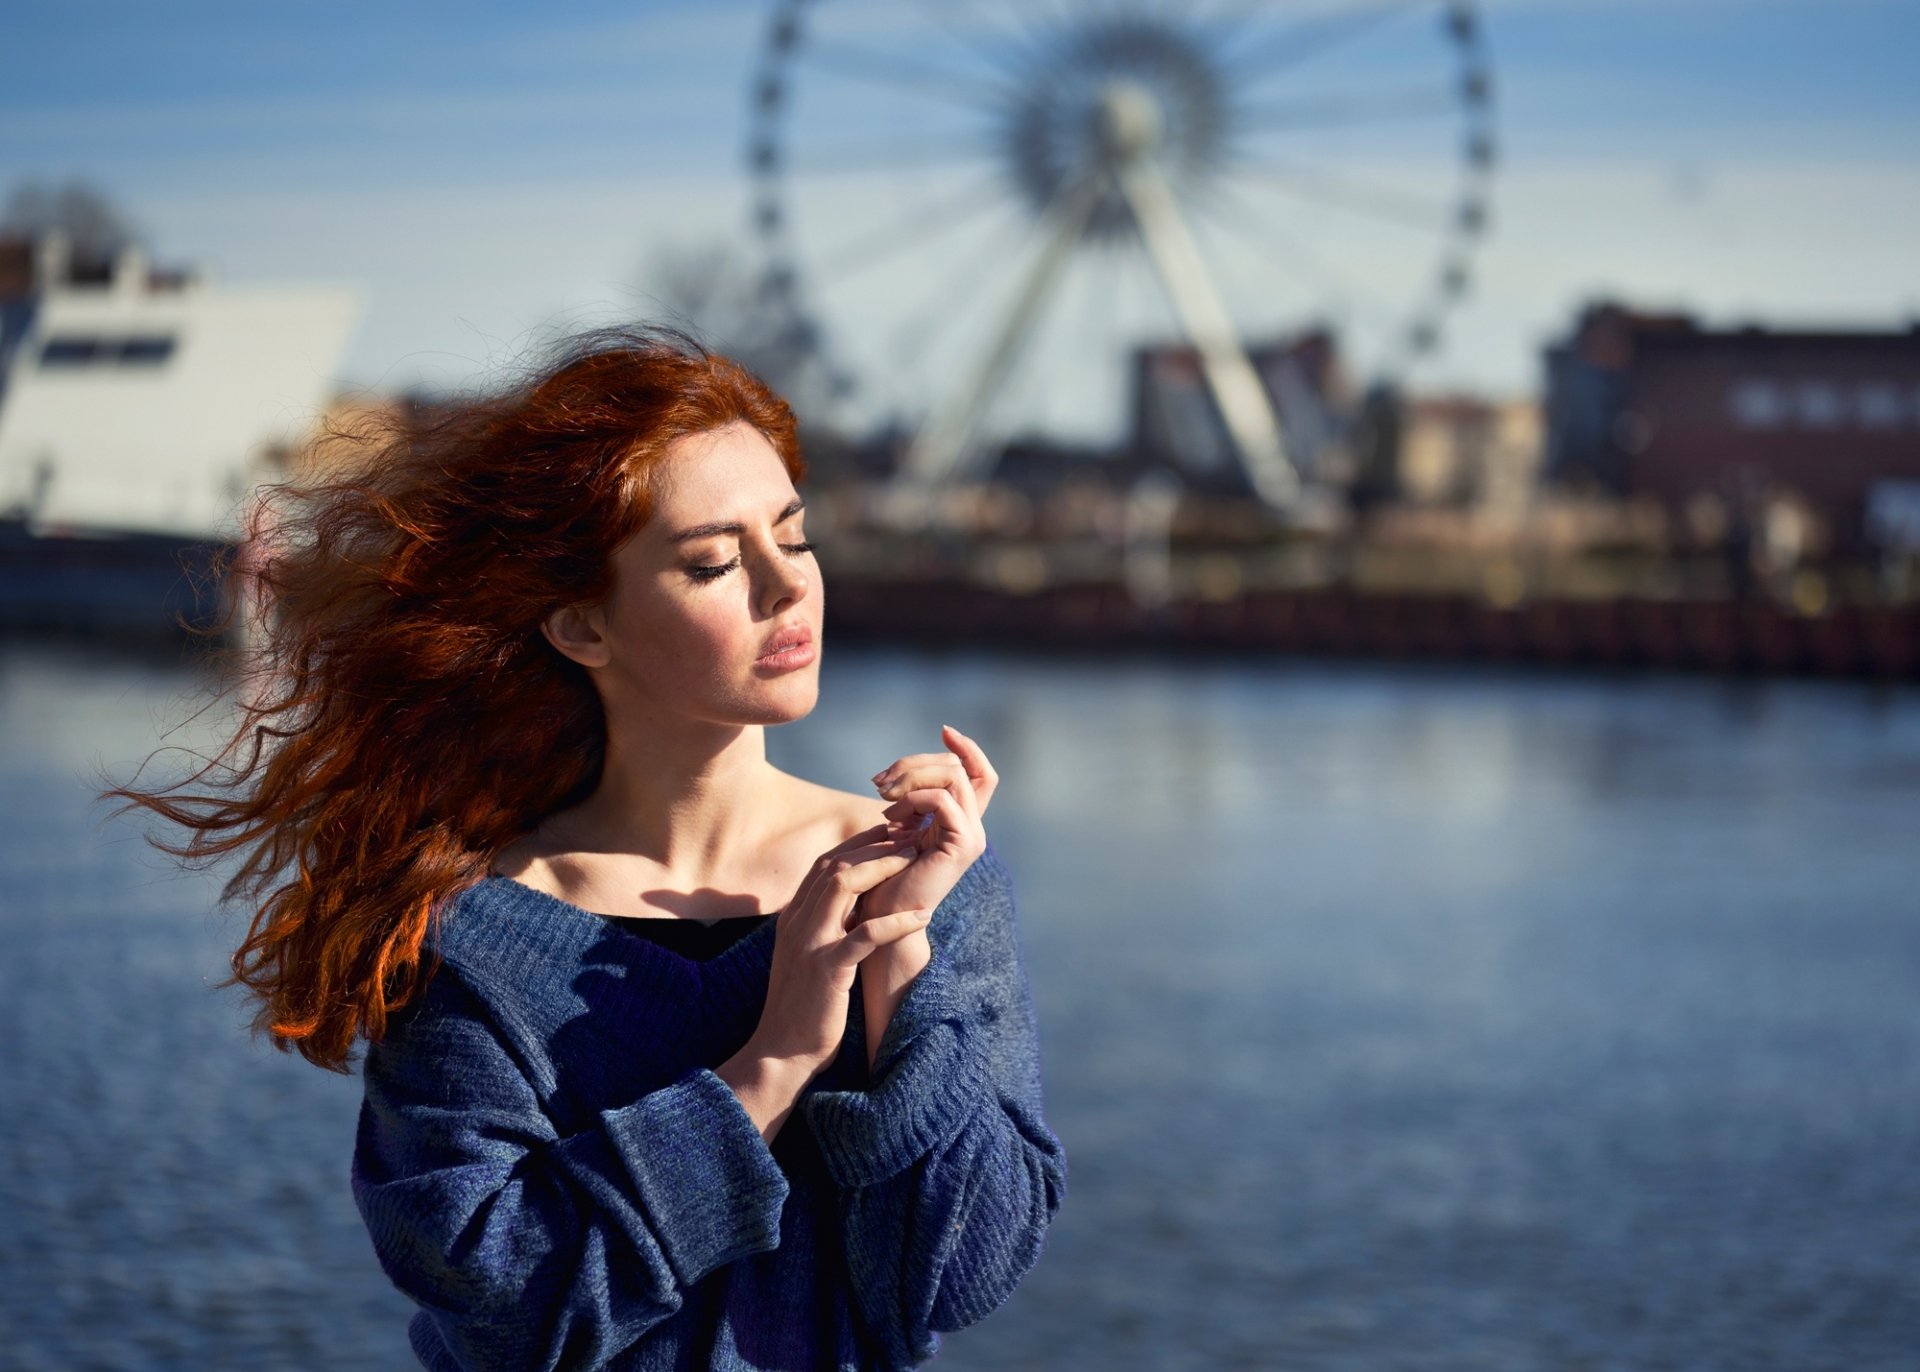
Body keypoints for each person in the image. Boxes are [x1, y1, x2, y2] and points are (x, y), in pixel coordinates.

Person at [109, 327, 1066, 1370]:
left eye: (793, 538)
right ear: (581, 627)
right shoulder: (468, 941)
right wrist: (775, 1059)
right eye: (713, 562)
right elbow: (507, 1313)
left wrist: (901, 956)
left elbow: (961, 1273)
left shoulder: (932, 881)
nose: (786, 585)